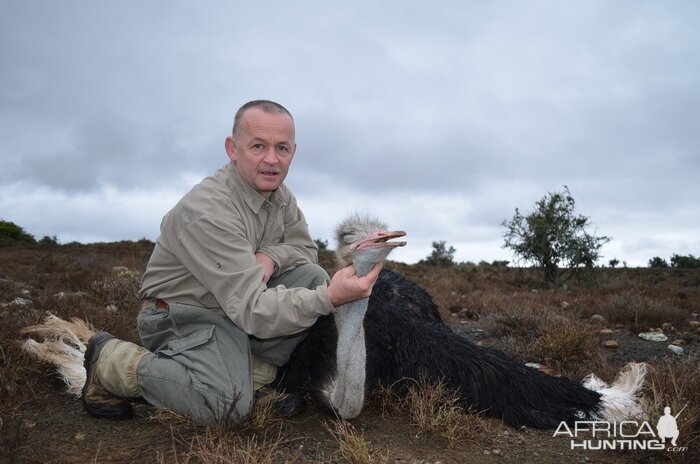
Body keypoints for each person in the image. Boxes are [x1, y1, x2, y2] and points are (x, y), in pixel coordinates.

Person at [82, 100, 382, 425]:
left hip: (236, 307)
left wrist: (271, 256)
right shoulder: (210, 210)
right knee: (227, 407)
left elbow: (304, 251)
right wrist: (330, 298)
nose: (271, 159)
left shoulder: (281, 198)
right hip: (183, 314)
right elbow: (252, 311)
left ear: (293, 152)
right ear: (232, 148)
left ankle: (250, 374)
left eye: (281, 148)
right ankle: (110, 362)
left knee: (310, 276)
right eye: (258, 146)